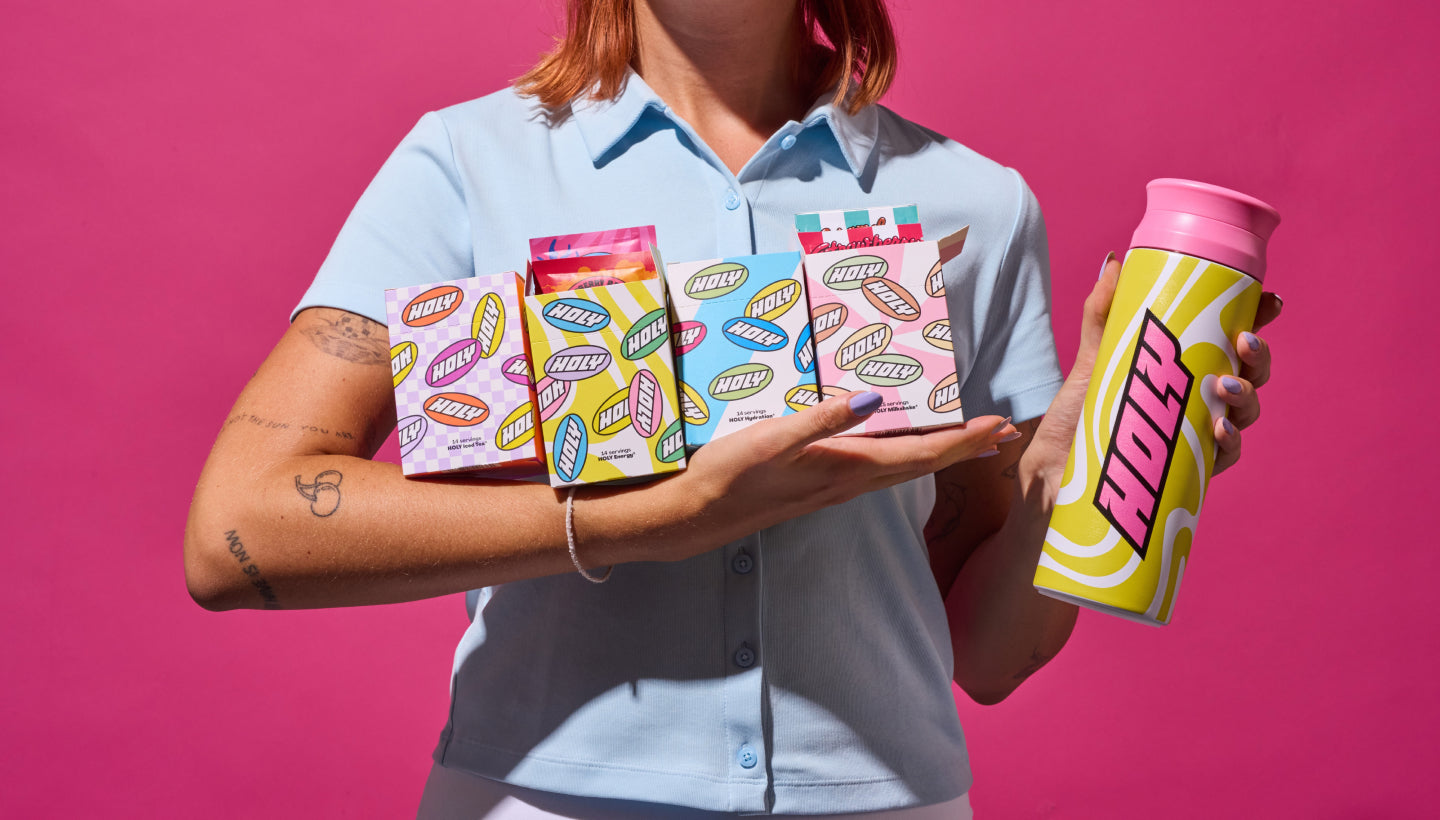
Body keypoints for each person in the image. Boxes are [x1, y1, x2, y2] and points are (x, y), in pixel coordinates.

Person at [184, 0, 1280, 817]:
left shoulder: (976, 204)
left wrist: (1082, 458)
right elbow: (239, 532)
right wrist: (644, 518)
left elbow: (986, 656)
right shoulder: (470, 166)